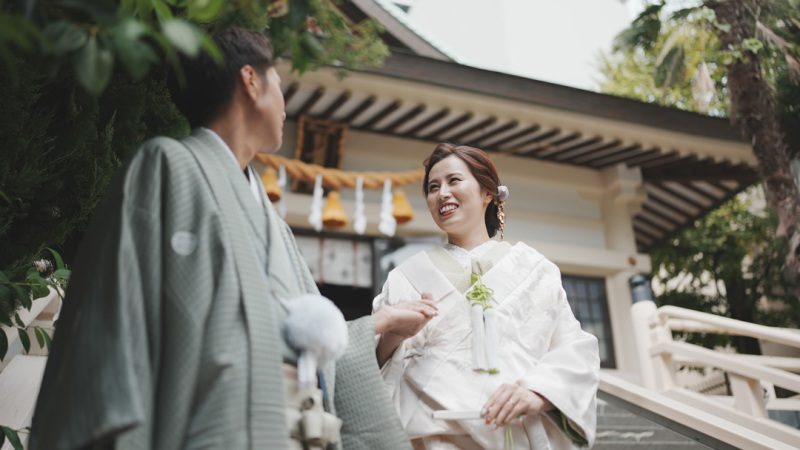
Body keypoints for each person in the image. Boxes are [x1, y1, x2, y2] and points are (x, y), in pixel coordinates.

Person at [30, 27, 435, 450]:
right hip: (213, 429)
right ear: (251, 80)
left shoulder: (274, 222)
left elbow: (311, 339)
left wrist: (381, 324)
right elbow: (115, 323)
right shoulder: (168, 166)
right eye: (278, 81)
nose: (285, 103)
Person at [373, 143, 600, 449]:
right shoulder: (405, 276)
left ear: (488, 192)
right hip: (428, 435)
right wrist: (392, 337)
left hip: (515, 428)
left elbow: (574, 348)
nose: (442, 194)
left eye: (454, 180)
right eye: (433, 187)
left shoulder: (535, 270)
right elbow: (370, 365)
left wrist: (538, 392)